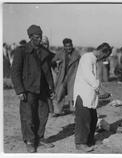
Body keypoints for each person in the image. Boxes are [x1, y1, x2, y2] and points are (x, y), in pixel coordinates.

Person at [11, 25, 55, 153]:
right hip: (28, 89)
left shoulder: (44, 51)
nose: (39, 39)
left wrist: (51, 88)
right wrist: (19, 90)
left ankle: (40, 138)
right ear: (30, 37)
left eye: (40, 36)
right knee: (28, 116)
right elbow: (15, 72)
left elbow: (47, 72)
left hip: (42, 89)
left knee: (43, 114)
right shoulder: (21, 51)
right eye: (36, 37)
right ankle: (30, 140)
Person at [73, 42, 112, 152]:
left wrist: (101, 90)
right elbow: (88, 76)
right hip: (83, 95)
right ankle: (80, 143)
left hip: (90, 95)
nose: (103, 58)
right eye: (104, 56)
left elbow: (96, 79)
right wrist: (99, 90)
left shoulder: (94, 60)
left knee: (93, 119)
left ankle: (90, 140)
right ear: (102, 52)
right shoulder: (87, 58)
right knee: (83, 120)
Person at [51, 38, 80, 116]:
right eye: (66, 46)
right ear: (64, 46)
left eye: (70, 46)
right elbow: (52, 62)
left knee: (73, 94)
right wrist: (56, 70)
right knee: (59, 93)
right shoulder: (60, 53)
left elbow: (80, 65)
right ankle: (57, 111)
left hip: (73, 77)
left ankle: (74, 110)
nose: (69, 48)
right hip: (62, 77)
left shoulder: (77, 54)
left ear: (72, 45)